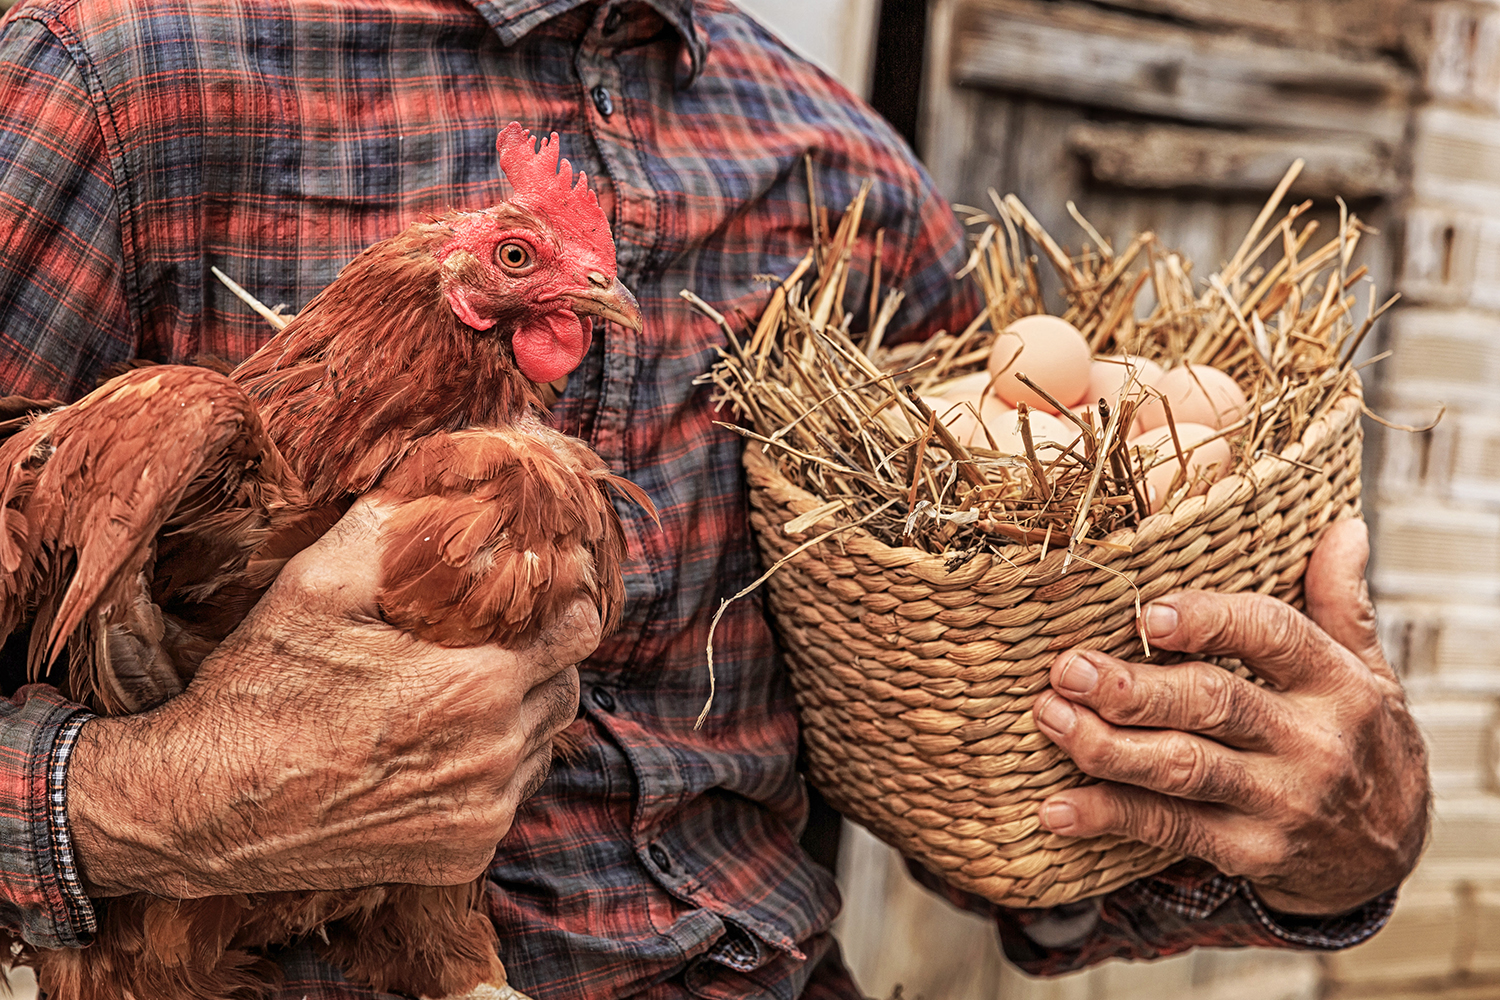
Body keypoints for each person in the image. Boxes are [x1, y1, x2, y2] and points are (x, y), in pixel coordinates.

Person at [0, 0, 1428, 996]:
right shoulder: (123, 77)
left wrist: (1313, 846)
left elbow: (996, 776)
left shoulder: (849, 176)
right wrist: (129, 802)